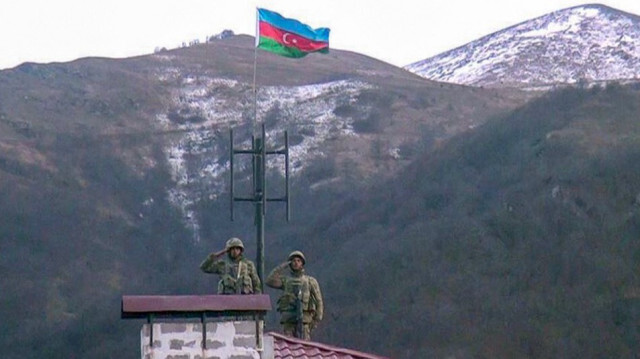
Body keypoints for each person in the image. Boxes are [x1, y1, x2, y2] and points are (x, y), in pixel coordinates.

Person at [266, 250, 323, 340]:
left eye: (298, 261)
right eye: (293, 261)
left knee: (305, 348)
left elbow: (319, 302)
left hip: (304, 321)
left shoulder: (310, 281)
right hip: (289, 321)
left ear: (302, 263)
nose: (296, 263)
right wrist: (283, 266)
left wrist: (315, 321)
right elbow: (269, 280)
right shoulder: (286, 281)